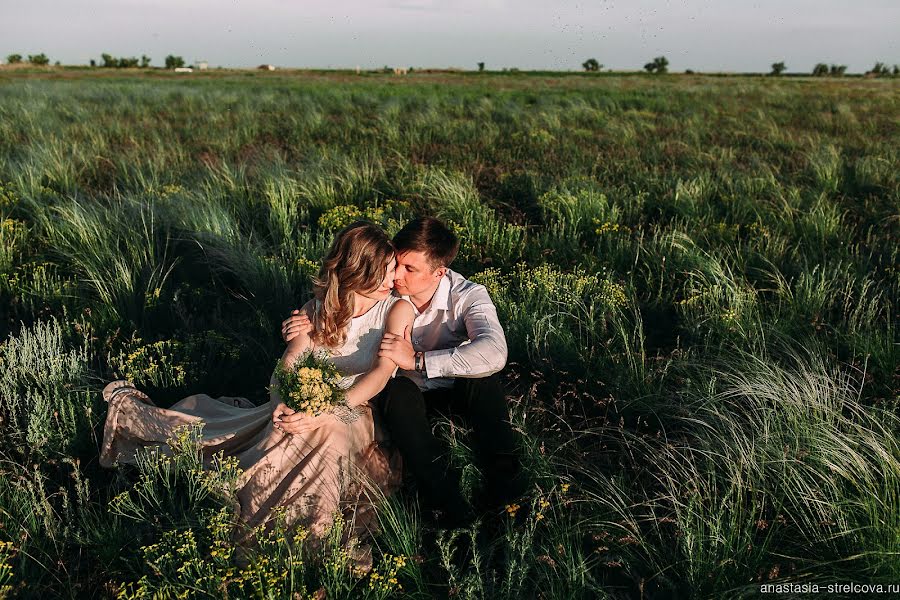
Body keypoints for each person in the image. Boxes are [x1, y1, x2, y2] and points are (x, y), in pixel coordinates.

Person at [100, 222, 415, 565]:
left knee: (329, 431)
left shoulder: (394, 310)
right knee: (286, 429)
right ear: (357, 272)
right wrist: (279, 404)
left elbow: (382, 372)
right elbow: (290, 361)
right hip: (303, 401)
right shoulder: (317, 308)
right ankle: (267, 518)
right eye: (384, 272)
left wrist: (327, 409)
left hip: (354, 408)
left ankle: (315, 538)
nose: (393, 280)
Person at [282, 217, 526, 526]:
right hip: (406, 398)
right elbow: (346, 307)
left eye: (410, 269)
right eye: (396, 264)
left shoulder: (467, 296)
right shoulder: (385, 291)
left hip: (454, 387)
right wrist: (304, 322)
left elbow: (494, 350)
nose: (397, 275)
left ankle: (506, 491)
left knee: (485, 381)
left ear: (439, 272)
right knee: (397, 392)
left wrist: (420, 360)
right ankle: (444, 498)